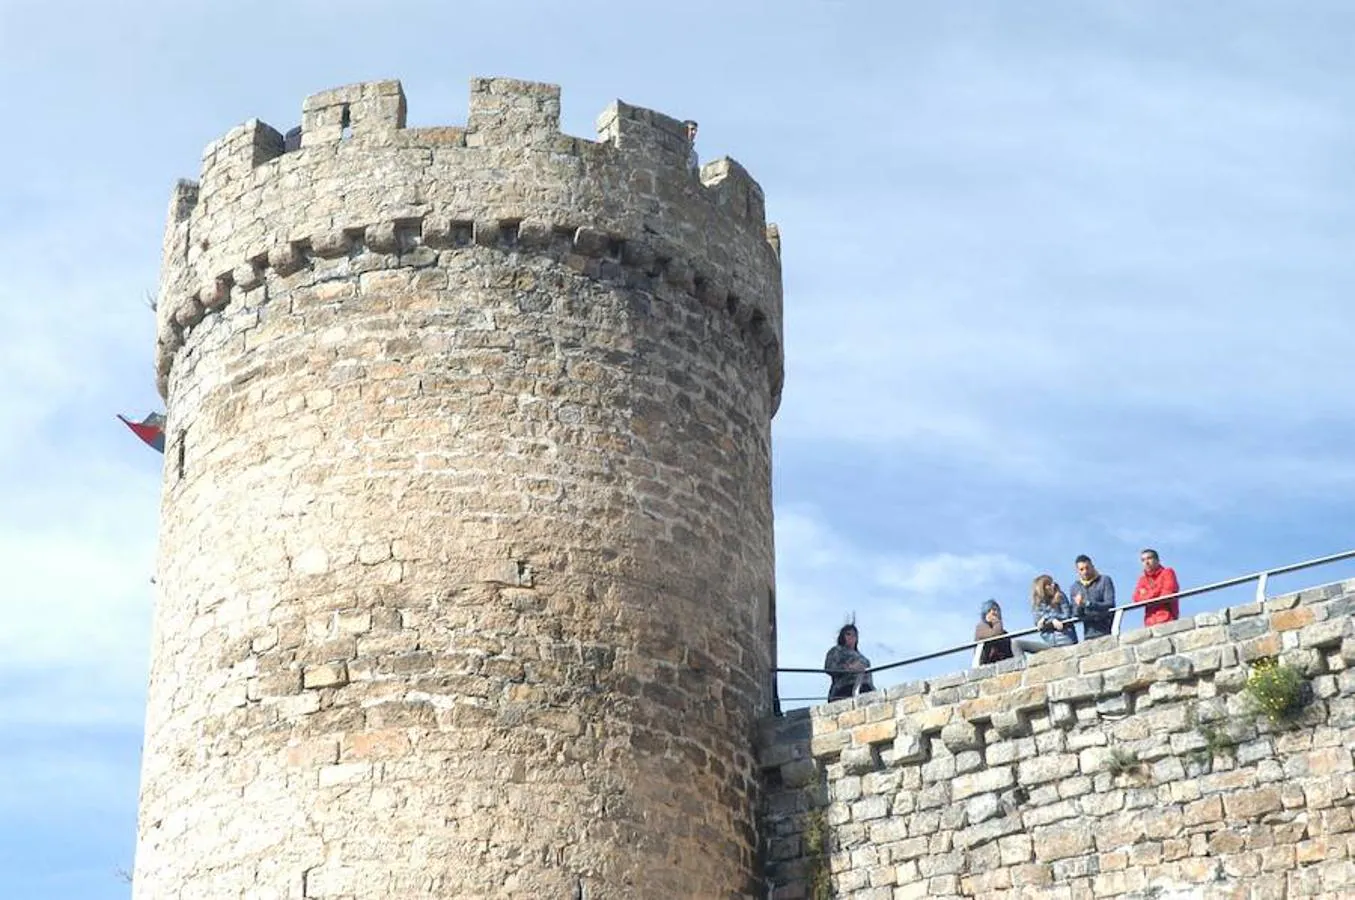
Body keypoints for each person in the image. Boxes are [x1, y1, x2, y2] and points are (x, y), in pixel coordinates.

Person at [975, 599, 1047, 664]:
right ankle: (1022, 666)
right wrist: (997, 622)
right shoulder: (981, 627)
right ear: (985, 615)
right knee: (1016, 644)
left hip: (1004, 661)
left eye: (995, 610)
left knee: (1016, 645)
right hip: (989, 663)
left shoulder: (1004, 632)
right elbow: (995, 635)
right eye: (989, 611)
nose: (993, 613)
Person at [1069, 554, 1116, 639]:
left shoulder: (1105, 580)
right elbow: (1075, 614)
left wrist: (1088, 604)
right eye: (1081, 569)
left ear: (1092, 566)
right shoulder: (1075, 587)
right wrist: (1079, 606)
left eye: (1087, 568)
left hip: (1106, 630)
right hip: (1088, 634)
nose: (1085, 572)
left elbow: (1110, 603)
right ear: (1077, 571)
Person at [824, 624, 874, 701]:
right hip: (844, 688)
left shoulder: (864, 659)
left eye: (854, 635)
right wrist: (848, 668)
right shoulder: (837, 651)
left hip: (865, 688)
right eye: (848, 634)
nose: (851, 637)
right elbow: (829, 668)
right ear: (842, 636)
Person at [1133, 548, 1180, 626]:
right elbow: (1136, 599)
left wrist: (1146, 594)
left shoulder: (1168, 572)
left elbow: (1166, 595)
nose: (1146, 562)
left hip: (1167, 619)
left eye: (1149, 558)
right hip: (1149, 623)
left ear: (1157, 560)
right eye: (1143, 560)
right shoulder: (1142, 579)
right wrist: (1158, 590)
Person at [1031, 575, 1079, 647]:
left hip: (1066, 637)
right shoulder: (1037, 603)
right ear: (1042, 588)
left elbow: (1067, 615)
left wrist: (1050, 618)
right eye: (1049, 584)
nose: (1053, 585)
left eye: (1052, 583)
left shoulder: (1060, 596)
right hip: (1049, 641)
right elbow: (1037, 621)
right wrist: (1050, 619)